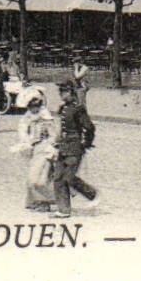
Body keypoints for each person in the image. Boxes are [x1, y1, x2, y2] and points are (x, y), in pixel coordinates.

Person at [51, 81, 97, 219]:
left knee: (69, 177)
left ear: (70, 93)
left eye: (63, 92)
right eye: (60, 92)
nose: (60, 95)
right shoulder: (63, 108)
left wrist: (86, 143)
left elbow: (89, 127)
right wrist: (56, 142)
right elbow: (60, 127)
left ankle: (91, 193)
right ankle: (64, 210)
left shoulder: (78, 109)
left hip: (74, 146)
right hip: (63, 146)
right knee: (58, 177)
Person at [12, 91, 58, 212]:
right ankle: (34, 201)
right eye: (31, 106)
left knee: (39, 178)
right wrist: (27, 141)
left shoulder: (46, 118)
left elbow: (53, 135)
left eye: (36, 106)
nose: (33, 109)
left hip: (44, 150)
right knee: (32, 177)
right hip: (33, 150)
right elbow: (22, 131)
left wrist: (49, 145)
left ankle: (46, 201)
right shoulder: (27, 118)